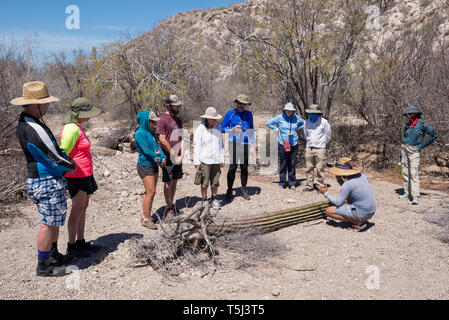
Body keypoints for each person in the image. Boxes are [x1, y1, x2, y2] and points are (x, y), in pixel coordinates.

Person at [12, 81, 77, 276]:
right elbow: (53, 156)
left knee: (54, 220)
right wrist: (71, 166)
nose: (48, 106)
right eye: (45, 103)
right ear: (34, 105)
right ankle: (43, 264)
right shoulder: (33, 127)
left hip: (44, 178)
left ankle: (53, 255)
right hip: (46, 180)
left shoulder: (27, 122)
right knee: (48, 224)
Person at [60, 97, 102, 258]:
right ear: (78, 114)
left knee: (83, 207)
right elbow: (64, 153)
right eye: (87, 113)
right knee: (77, 209)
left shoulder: (76, 127)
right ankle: (72, 246)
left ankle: (80, 241)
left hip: (85, 173)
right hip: (76, 175)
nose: (90, 116)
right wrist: (67, 171)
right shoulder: (71, 128)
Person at [317, 158, 376, 233]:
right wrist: (339, 179)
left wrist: (325, 193)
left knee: (329, 211)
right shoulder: (361, 176)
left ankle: (357, 222)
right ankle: (358, 218)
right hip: (371, 211)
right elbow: (351, 188)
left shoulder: (347, 184)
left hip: (362, 214)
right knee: (349, 197)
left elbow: (338, 203)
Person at [135, 110, 167, 229]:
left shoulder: (151, 133)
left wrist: (163, 157)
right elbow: (147, 152)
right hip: (145, 165)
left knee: (150, 192)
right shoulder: (140, 134)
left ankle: (145, 216)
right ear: (145, 121)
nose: (154, 123)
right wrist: (159, 159)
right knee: (150, 191)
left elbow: (157, 147)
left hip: (154, 164)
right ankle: (146, 219)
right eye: (152, 121)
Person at [399, 105, 438, 205]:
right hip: (404, 149)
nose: (408, 116)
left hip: (413, 150)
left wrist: (421, 146)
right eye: (407, 114)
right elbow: (405, 137)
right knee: (405, 172)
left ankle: (415, 195)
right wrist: (401, 154)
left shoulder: (422, 124)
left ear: (415, 114)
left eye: (409, 114)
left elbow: (434, 135)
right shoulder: (408, 124)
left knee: (413, 173)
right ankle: (407, 193)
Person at [221, 94, 255, 202]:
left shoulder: (249, 114)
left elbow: (251, 130)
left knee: (244, 167)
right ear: (236, 103)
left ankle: (243, 189)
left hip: (245, 143)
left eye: (244, 104)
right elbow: (222, 129)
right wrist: (232, 129)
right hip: (234, 143)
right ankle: (229, 190)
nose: (242, 106)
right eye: (240, 104)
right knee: (233, 167)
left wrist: (252, 145)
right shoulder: (230, 114)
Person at [156, 95, 184, 217]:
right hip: (167, 156)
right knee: (168, 182)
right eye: (176, 105)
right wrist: (173, 153)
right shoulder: (162, 119)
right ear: (168, 105)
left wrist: (182, 154)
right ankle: (168, 208)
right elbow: (162, 139)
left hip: (178, 156)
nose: (178, 107)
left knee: (175, 180)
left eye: (178, 105)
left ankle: (171, 204)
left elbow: (181, 138)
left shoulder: (178, 120)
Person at [266, 103, 305, 190]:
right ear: (285, 110)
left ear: (292, 111)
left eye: (290, 110)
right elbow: (268, 123)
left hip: (294, 142)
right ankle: (282, 182)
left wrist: (297, 129)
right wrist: (277, 129)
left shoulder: (296, 118)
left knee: (292, 163)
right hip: (283, 143)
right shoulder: (280, 117)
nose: (289, 112)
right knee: (283, 163)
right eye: (287, 110)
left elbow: (304, 123)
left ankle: (292, 183)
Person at [194, 107, 225, 210]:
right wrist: (197, 161)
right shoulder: (200, 129)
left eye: (216, 118)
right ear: (207, 118)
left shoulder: (218, 128)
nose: (215, 120)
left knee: (215, 181)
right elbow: (197, 146)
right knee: (204, 181)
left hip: (216, 159)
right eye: (213, 118)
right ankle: (204, 199)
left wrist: (222, 158)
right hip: (204, 160)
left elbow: (221, 144)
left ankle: (214, 198)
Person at [303, 104, 331, 192]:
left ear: (318, 114)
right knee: (309, 168)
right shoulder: (306, 122)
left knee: (320, 168)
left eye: (314, 113)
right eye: (311, 113)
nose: (312, 115)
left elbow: (328, 135)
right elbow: (305, 134)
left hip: (320, 148)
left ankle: (320, 186)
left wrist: (322, 144)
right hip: (309, 148)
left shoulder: (324, 122)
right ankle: (309, 186)